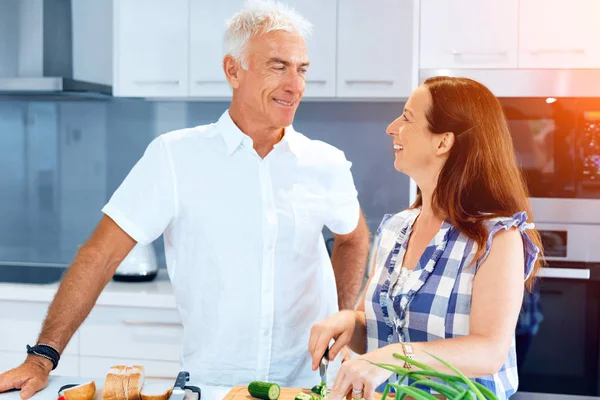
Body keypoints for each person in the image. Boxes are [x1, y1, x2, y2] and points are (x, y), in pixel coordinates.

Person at [0, 1, 370, 397]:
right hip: (209, 387)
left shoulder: (323, 162)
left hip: (306, 387)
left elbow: (354, 237)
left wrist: (342, 321)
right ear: (233, 70)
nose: (294, 85)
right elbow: (100, 254)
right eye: (277, 66)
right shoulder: (175, 157)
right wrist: (42, 357)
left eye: (302, 69)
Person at [308, 76, 544, 400]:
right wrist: (349, 322)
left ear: (443, 142)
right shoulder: (396, 229)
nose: (392, 128)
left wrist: (392, 358)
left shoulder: (496, 238)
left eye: (406, 118)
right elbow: (377, 328)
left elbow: (489, 350)